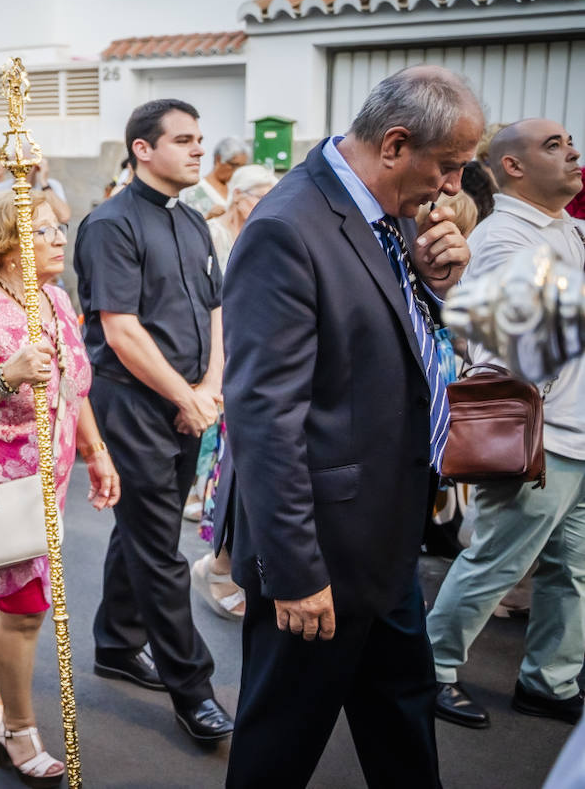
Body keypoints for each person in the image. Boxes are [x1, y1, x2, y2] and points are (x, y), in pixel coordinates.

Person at [222, 66, 479, 788]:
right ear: (396, 144)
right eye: (450, 166)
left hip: (390, 540)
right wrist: (296, 574)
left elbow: (384, 352)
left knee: (404, 727)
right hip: (321, 558)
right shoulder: (286, 226)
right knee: (279, 749)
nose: (454, 187)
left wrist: (435, 285)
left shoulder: (388, 210)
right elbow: (264, 416)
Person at [0, 190, 119, 785]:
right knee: (24, 607)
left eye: (58, 228)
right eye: (42, 230)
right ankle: (17, 730)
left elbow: (74, 386)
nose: (59, 238)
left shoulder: (55, 298)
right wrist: (7, 372)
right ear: (9, 243)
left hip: (49, 473)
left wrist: (96, 451)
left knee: (10, 586)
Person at [76, 98, 233, 745]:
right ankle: (192, 688)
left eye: (201, 139)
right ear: (144, 148)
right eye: (184, 140)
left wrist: (210, 388)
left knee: (149, 526)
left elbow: (217, 310)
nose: (200, 150)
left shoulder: (194, 222)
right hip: (133, 406)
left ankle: (117, 643)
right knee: (160, 550)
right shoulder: (109, 224)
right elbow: (120, 331)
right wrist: (184, 395)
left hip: (188, 401)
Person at [428, 119, 585, 729]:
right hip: (540, 437)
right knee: (498, 562)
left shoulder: (564, 228)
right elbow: (494, 345)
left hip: (573, 432)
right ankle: (431, 666)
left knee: (570, 570)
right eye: (554, 145)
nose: (572, 151)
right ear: (512, 166)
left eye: (570, 142)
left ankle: (550, 679)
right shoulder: (505, 239)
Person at [189, 164, 276, 622]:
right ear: (239, 197)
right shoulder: (215, 236)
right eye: (260, 196)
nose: (266, 204)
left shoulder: (264, 231)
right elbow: (214, 308)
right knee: (230, 462)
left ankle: (229, 564)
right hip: (225, 354)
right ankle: (220, 564)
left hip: (245, 355)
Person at [180, 137, 248, 220]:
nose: (237, 171)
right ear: (218, 159)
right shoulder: (195, 191)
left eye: (241, 167)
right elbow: (189, 225)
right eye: (234, 165)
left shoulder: (237, 187)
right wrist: (208, 217)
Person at [0, 162, 71, 224]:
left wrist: (44, 183)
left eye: (26, 163)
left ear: (37, 165)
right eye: (15, 162)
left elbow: (64, 217)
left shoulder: (51, 185)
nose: (20, 168)